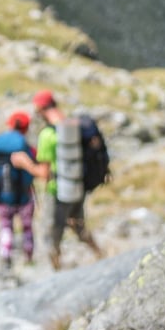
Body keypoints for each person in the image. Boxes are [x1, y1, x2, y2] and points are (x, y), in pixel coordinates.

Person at [33, 89, 108, 270]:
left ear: (41, 110)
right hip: (78, 187)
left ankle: (57, 268)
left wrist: (24, 164)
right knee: (78, 225)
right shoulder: (73, 128)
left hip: (57, 191)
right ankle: (100, 254)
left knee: (52, 232)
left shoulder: (47, 135)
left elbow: (44, 173)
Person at [0, 110, 46, 266]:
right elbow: (36, 166)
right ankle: (29, 256)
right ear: (26, 127)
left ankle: (5, 254)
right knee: (27, 226)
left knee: (6, 226)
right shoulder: (25, 146)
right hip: (25, 195)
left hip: (2, 195)